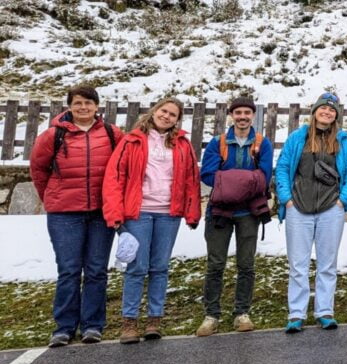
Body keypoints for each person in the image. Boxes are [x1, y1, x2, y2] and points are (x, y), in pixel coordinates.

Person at [30, 85, 124, 347]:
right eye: (78, 103)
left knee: (96, 270)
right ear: (69, 106)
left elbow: (121, 168)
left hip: (100, 213)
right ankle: (64, 327)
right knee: (69, 270)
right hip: (64, 214)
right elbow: (38, 170)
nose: (83, 108)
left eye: (89, 103)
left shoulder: (111, 133)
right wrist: (53, 196)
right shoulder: (53, 135)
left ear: (97, 106)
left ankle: (93, 325)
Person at [102, 97, 201, 344]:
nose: (166, 116)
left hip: (169, 213)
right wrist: (115, 214)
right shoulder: (132, 140)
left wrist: (192, 212)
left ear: (178, 121)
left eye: (173, 115)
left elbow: (191, 178)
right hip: (138, 212)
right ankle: (129, 322)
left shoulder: (182, 144)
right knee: (137, 267)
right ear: (154, 111)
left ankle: (154, 320)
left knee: (160, 267)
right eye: (163, 111)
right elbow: (114, 177)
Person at [275, 93, 347, 333]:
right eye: (323, 108)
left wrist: (344, 200)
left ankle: (325, 311)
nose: (327, 113)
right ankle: (297, 313)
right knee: (298, 264)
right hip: (298, 208)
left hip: (331, 209)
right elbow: (282, 167)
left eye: (332, 110)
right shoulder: (297, 138)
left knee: (327, 264)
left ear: (335, 116)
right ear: (314, 112)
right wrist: (286, 199)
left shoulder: (342, 141)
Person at [195, 96, 274, 337]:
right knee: (215, 264)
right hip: (220, 212)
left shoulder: (263, 143)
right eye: (238, 113)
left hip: (248, 213)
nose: (242, 117)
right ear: (232, 115)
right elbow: (207, 174)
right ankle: (212, 314)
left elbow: (265, 175)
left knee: (246, 264)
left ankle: (242, 312)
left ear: (252, 116)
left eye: (246, 113)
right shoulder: (217, 143)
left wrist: (229, 181)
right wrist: (244, 181)